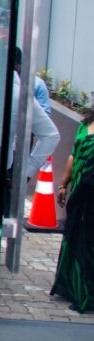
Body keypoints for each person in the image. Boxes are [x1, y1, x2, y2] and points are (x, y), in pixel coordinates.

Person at [51, 109, 94, 313]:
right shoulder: (85, 126)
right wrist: (63, 185)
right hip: (79, 193)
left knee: (89, 242)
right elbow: (72, 156)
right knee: (74, 236)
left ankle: (87, 294)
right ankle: (71, 287)